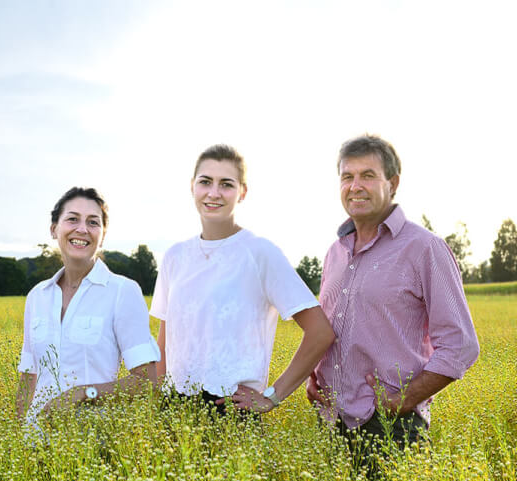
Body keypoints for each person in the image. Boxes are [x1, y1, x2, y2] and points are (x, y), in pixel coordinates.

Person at [307, 134, 479, 461]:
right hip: (329, 421)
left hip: (391, 427)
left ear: (393, 182)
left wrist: (405, 399)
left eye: (368, 176)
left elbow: (461, 344)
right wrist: (314, 375)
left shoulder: (424, 248)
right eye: (347, 177)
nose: (355, 186)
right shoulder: (335, 252)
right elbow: (329, 327)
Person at [150, 144, 335, 416]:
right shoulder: (174, 256)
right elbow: (166, 339)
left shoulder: (260, 252)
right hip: (173, 411)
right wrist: (157, 406)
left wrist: (272, 396)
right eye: (205, 182)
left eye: (226, 184)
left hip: (231, 412)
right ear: (192, 186)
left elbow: (321, 332)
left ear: (242, 192)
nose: (214, 193)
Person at [16, 187, 159, 429]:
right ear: (54, 229)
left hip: (92, 447)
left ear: (102, 236)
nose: (82, 229)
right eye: (72, 219)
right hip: (35, 446)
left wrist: (83, 393)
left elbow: (147, 382)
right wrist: (19, 434)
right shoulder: (37, 296)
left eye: (93, 222)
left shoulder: (122, 291)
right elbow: (28, 376)